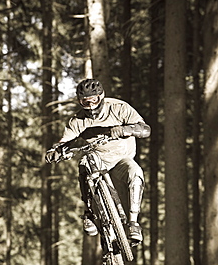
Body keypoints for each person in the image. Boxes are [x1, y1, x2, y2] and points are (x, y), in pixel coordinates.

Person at [46, 78, 151, 245]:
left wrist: (125, 129)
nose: (90, 106)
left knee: (136, 173)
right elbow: (65, 141)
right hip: (98, 160)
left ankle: (133, 222)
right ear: (79, 101)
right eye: (84, 102)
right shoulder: (78, 121)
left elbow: (145, 129)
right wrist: (56, 152)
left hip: (122, 159)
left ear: (101, 96)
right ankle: (89, 213)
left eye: (93, 100)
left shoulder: (119, 108)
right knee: (83, 163)